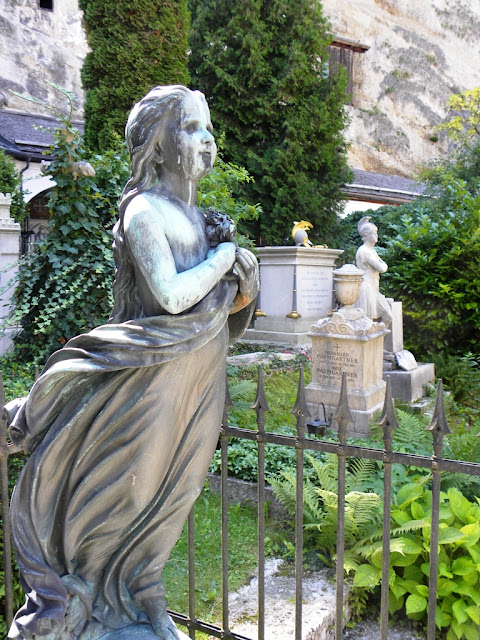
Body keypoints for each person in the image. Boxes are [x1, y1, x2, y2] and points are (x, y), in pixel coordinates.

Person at [6, 86, 259, 640]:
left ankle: (145, 597)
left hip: (198, 380)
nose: (206, 139)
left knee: (178, 494)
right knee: (132, 491)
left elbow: (226, 310)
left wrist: (245, 279)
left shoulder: (197, 216)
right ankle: (88, 602)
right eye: (190, 128)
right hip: (152, 384)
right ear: (157, 145)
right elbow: (169, 297)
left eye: (208, 127)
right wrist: (224, 260)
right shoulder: (145, 211)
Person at [355, 216, 392, 326]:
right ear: (366, 235)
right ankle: (372, 341)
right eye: (374, 233)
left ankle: (378, 337)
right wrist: (383, 264)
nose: (376, 235)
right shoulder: (364, 251)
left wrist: (382, 264)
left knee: (388, 316)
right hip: (366, 289)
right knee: (367, 322)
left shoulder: (372, 251)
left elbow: (382, 266)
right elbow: (382, 268)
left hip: (374, 289)